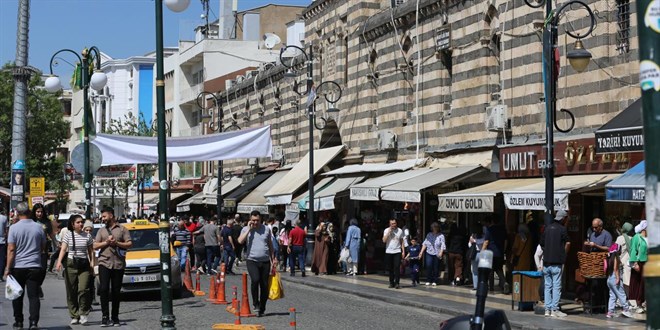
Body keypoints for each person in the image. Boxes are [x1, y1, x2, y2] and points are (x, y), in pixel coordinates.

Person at [5, 202, 47, 330]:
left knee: (17, 295)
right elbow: (43, 247)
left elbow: (11, 250)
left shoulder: (13, 228)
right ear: (29, 212)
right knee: (33, 296)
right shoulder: (39, 227)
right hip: (34, 265)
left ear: (17, 213)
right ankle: (33, 322)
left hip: (18, 266)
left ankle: (18, 321)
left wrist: (7, 268)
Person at [94, 206, 132, 327]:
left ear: (111, 215)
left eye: (104, 216)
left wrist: (117, 243)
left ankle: (115, 317)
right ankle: (105, 316)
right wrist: (106, 243)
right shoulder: (101, 231)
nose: (102, 218)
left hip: (118, 264)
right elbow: (95, 246)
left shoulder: (122, 229)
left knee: (116, 291)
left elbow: (129, 243)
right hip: (104, 263)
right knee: (104, 289)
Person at [55, 214, 95, 325]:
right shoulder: (68, 235)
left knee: (83, 289)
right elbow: (63, 249)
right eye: (78, 222)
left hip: (84, 265)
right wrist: (58, 262)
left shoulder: (87, 236)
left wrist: (92, 264)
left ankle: (83, 313)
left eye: (82, 222)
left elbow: (91, 251)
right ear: (72, 224)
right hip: (71, 264)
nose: (81, 224)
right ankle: (74, 314)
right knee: (71, 290)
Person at [237, 211, 277, 317]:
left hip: (265, 261)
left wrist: (274, 259)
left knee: (264, 285)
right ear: (250, 219)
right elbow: (240, 241)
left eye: (257, 220)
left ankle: (262, 306)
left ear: (261, 220)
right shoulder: (246, 229)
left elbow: (270, 245)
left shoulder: (266, 229)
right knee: (255, 280)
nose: (255, 222)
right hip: (252, 260)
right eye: (253, 220)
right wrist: (249, 229)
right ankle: (255, 303)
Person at [540, 209, 570, 318]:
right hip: (557, 262)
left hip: (546, 262)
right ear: (563, 218)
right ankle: (554, 309)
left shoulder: (547, 229)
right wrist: (563, 255)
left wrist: (548, 252)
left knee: (548, 286)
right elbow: (568, 242)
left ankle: (547, 310)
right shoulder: (562, 229)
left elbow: (541, 244)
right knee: (556, 286)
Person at [605, 243, 633, 318]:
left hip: (609, 279)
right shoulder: (615, 258)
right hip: (614, 278)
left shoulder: (609, 257)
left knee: (612, 295)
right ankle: (626, 309)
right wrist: (617, 278)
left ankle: (610, 312)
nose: (621, 251)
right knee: (622, 294)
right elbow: (615, 269)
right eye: (620, 249)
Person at [482, 216, 508, 293]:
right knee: (499, 269)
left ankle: (491, 288)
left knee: (491, 271)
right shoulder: (503, 230)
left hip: (490, 253)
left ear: (492, 221)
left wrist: (482, 252)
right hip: (499, 253)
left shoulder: (489, 230)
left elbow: (486, 242)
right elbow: (506, 241)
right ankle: (504, 282)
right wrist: (504, 250)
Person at [629, 220, 648, 313]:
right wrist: (635, 263)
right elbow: (633, 250)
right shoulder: (637, 237)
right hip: (640, 263)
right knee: (640, 283)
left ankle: (645, 302)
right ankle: (639, 303)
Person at [419, 222, 445, 286]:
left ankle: (435, 280)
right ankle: (428, 279)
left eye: (436, 227)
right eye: (433, 227)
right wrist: (421, 252)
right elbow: (425, 243)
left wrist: (441, 252)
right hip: (429, 252)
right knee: (429, 266)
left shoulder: (441, 236)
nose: (435, 228)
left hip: (437, 253)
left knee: (436, 267)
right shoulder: (429, 234)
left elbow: (443, 244)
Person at [382, 219, 405, 289]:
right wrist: (389, 232)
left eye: (394, 223)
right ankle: (391, 282)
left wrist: (403, 251)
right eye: (392, 224)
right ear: (389, 224)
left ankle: (397, 283)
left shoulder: (400, 231)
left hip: (397, 251)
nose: (393, 225)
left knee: (397, 267)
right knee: (390, 268)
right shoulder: (386, 230)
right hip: (389, 251)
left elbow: (402, 241)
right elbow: (384, 240)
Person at [614, 222, 634, 294]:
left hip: (621, 261)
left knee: (621, 281)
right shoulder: (632, 238)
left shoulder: (620, 238)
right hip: (629, 262)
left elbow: (614, 249)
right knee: (628, 280)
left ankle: (623, 299)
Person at [469, 224, 485, 290]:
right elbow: (483, 241)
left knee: (474, 271)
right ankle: (481, 284)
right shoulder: (484, 235)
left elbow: (469, 245)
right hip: (481, 253)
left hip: (474, 254)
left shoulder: (472, 236)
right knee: (481, 270)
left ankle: (475, 286)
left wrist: (473, 241)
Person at [0, 205, 8, 281]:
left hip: (2, 240)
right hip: (2, 241)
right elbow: (6, 231)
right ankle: (0, 275)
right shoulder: (4, 218)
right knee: (2, 259)